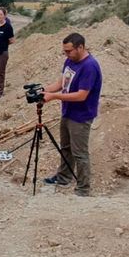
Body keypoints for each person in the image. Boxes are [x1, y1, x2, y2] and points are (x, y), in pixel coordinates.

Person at [40, 33, 103, 197]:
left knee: (80, 153)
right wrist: (44, 90)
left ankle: (83, 188)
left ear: (80, 47)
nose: (66, 54)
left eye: (69, 51)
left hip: (81, 116)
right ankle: (64, 177)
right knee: (66, 148)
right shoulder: (70, 61)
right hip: (68, 111)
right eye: (65, 51)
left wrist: (54, 97)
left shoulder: (90, 66)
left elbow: (81, 95)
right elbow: (62, 83)